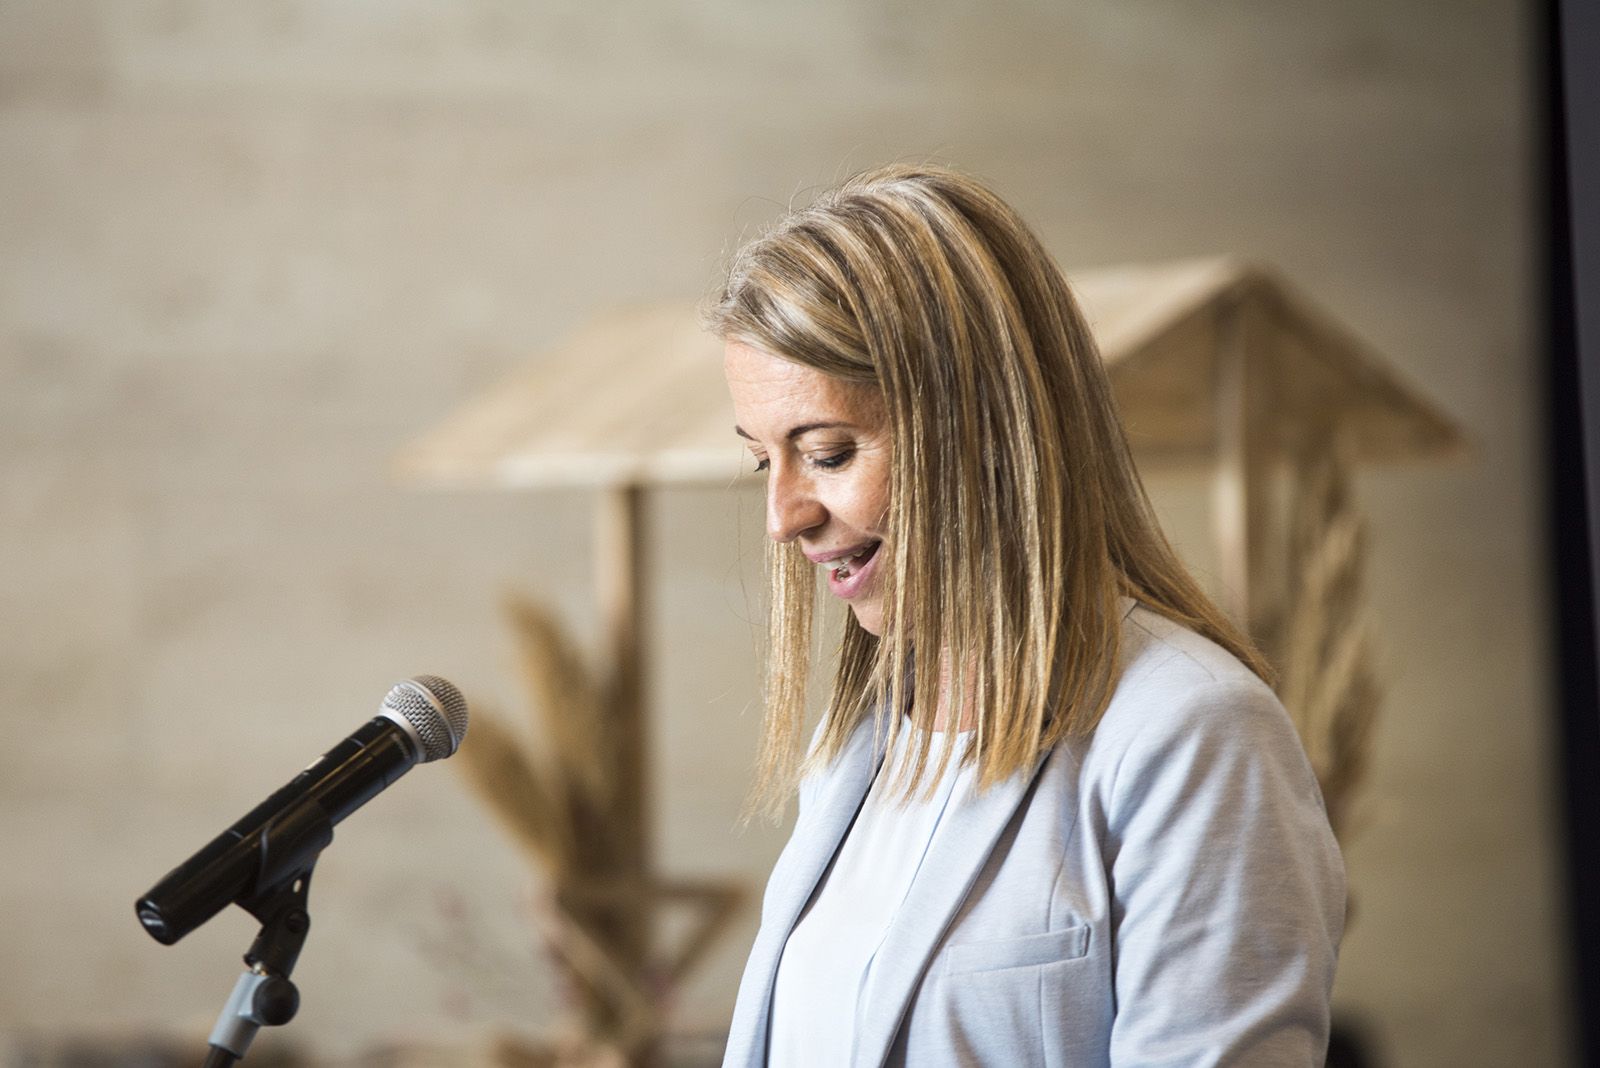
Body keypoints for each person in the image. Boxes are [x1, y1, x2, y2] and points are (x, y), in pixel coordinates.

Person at [706, 164, 1344, 1067]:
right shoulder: (855, 753)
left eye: (830, 453)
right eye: (763, 463)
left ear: (982, 429)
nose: (784, 517)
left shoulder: (1193, 735)